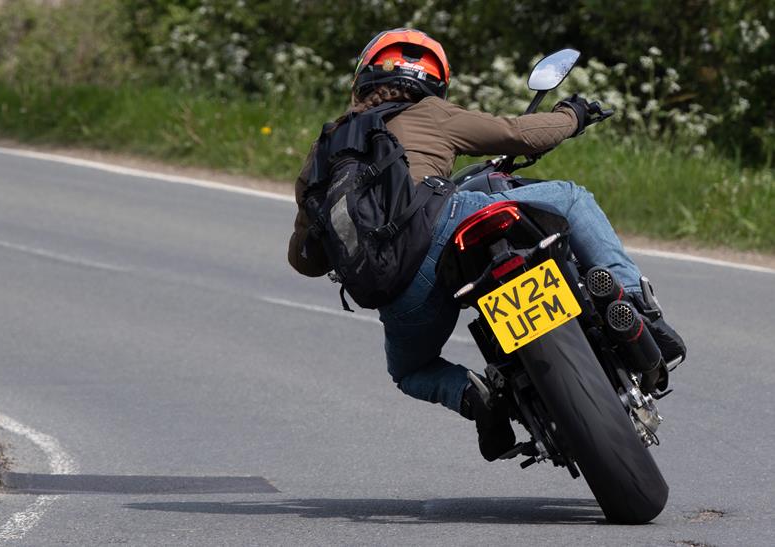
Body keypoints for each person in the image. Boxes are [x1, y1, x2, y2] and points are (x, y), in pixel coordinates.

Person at [288, 28, 686, 462]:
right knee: (571, 197)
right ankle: (635, 307)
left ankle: (476, 395)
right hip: (445, 225)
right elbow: (519, 133)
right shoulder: (430, 113)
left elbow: (304, 259)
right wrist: (573, 114)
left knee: (410, 370)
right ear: (435, 82)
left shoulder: (323, 151)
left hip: (401, 289)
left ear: (363, 78)